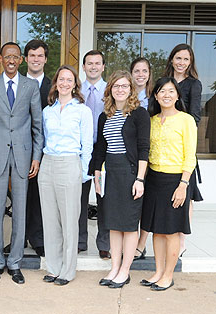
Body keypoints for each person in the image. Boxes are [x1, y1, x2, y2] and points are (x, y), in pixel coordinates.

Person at [0, 42, 43, 285]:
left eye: (16, 56)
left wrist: (36, 157)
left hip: (24, 157)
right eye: (8, 57)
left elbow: (37, 126)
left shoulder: (31, 86)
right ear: (0, 59)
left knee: (20, 210)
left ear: (22, 60)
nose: (12, 60)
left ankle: (15, 263)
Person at [94, 70, 150, 289]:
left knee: (128, 225)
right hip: (110, 174)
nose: (120, 89)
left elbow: (144, 148)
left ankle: (125, 271)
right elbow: (100, 148)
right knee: (113, 225)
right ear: (110, 89)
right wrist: (97, 174)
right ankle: (114, 267)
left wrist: (140, 179)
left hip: (130, 173)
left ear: (131, 89)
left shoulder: (139, 114)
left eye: (124, 86)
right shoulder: (104, 115)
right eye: (116, 86)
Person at [140, 77, 197, 291]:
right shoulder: (152, 120)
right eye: (162, 91)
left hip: (176, 180)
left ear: (177, 95)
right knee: (157, 229)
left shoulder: (186, 120)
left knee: (171, 231)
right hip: (154, 179)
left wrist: (183, 184)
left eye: (171, 91)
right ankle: (158, 272)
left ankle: (168, 275)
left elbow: (190, 156)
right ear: (155, 95)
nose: (166, 95)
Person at [39, 65, 93, 286]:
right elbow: (43, 138)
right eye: (61, 79)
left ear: (75, 84)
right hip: (47, 164)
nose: (64, 83)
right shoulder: (47, 111)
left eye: (69, 80)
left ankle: (67, 271)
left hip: (70, 163)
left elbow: (87, 144)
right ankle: (53, 268)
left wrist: (81, 172)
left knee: (69, 220)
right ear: (56, 83)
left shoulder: (82, 110)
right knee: (50, 220)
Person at [164, 43, 203, 256]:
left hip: (182, 142)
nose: (181, 63)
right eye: (178, 58)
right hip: (164, 145)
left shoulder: (194, 85)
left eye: (186, 59)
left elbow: (196, 117)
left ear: (190, 62)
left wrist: (176, 122)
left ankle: (182, 240)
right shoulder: (165, 82)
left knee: (185, 193)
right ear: (172, 59)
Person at [79, 50, 111, 259]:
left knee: (104, 198)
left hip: (104, 150)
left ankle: (104, 244)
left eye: (97, 63)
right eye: (89, 63)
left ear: (102, 66)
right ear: (84, 67)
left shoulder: (110, 90)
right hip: (81, 150)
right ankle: (80, 241)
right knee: (79, 199)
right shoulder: (76, 89)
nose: (93, 67)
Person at [23, 39, 52, 258]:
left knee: (39, 196)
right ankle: (19, 238)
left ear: (45, 59)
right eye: (32, 55)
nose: (36, 59)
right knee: (21, 195)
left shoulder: (53, 87)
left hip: (46, 150)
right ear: (26, 59)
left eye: (40, 55)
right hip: (19, 149)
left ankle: (38, 238)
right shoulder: (17, 84)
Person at [130, 57, 153, 261]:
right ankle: (130, 242)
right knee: (132, 200)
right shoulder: (125, 96)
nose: (140, 75)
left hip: (150, 155)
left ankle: (141, 244)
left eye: (144, 71)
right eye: (137, 71)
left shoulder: (155, 97)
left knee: (146, 202)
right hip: (131, 156)